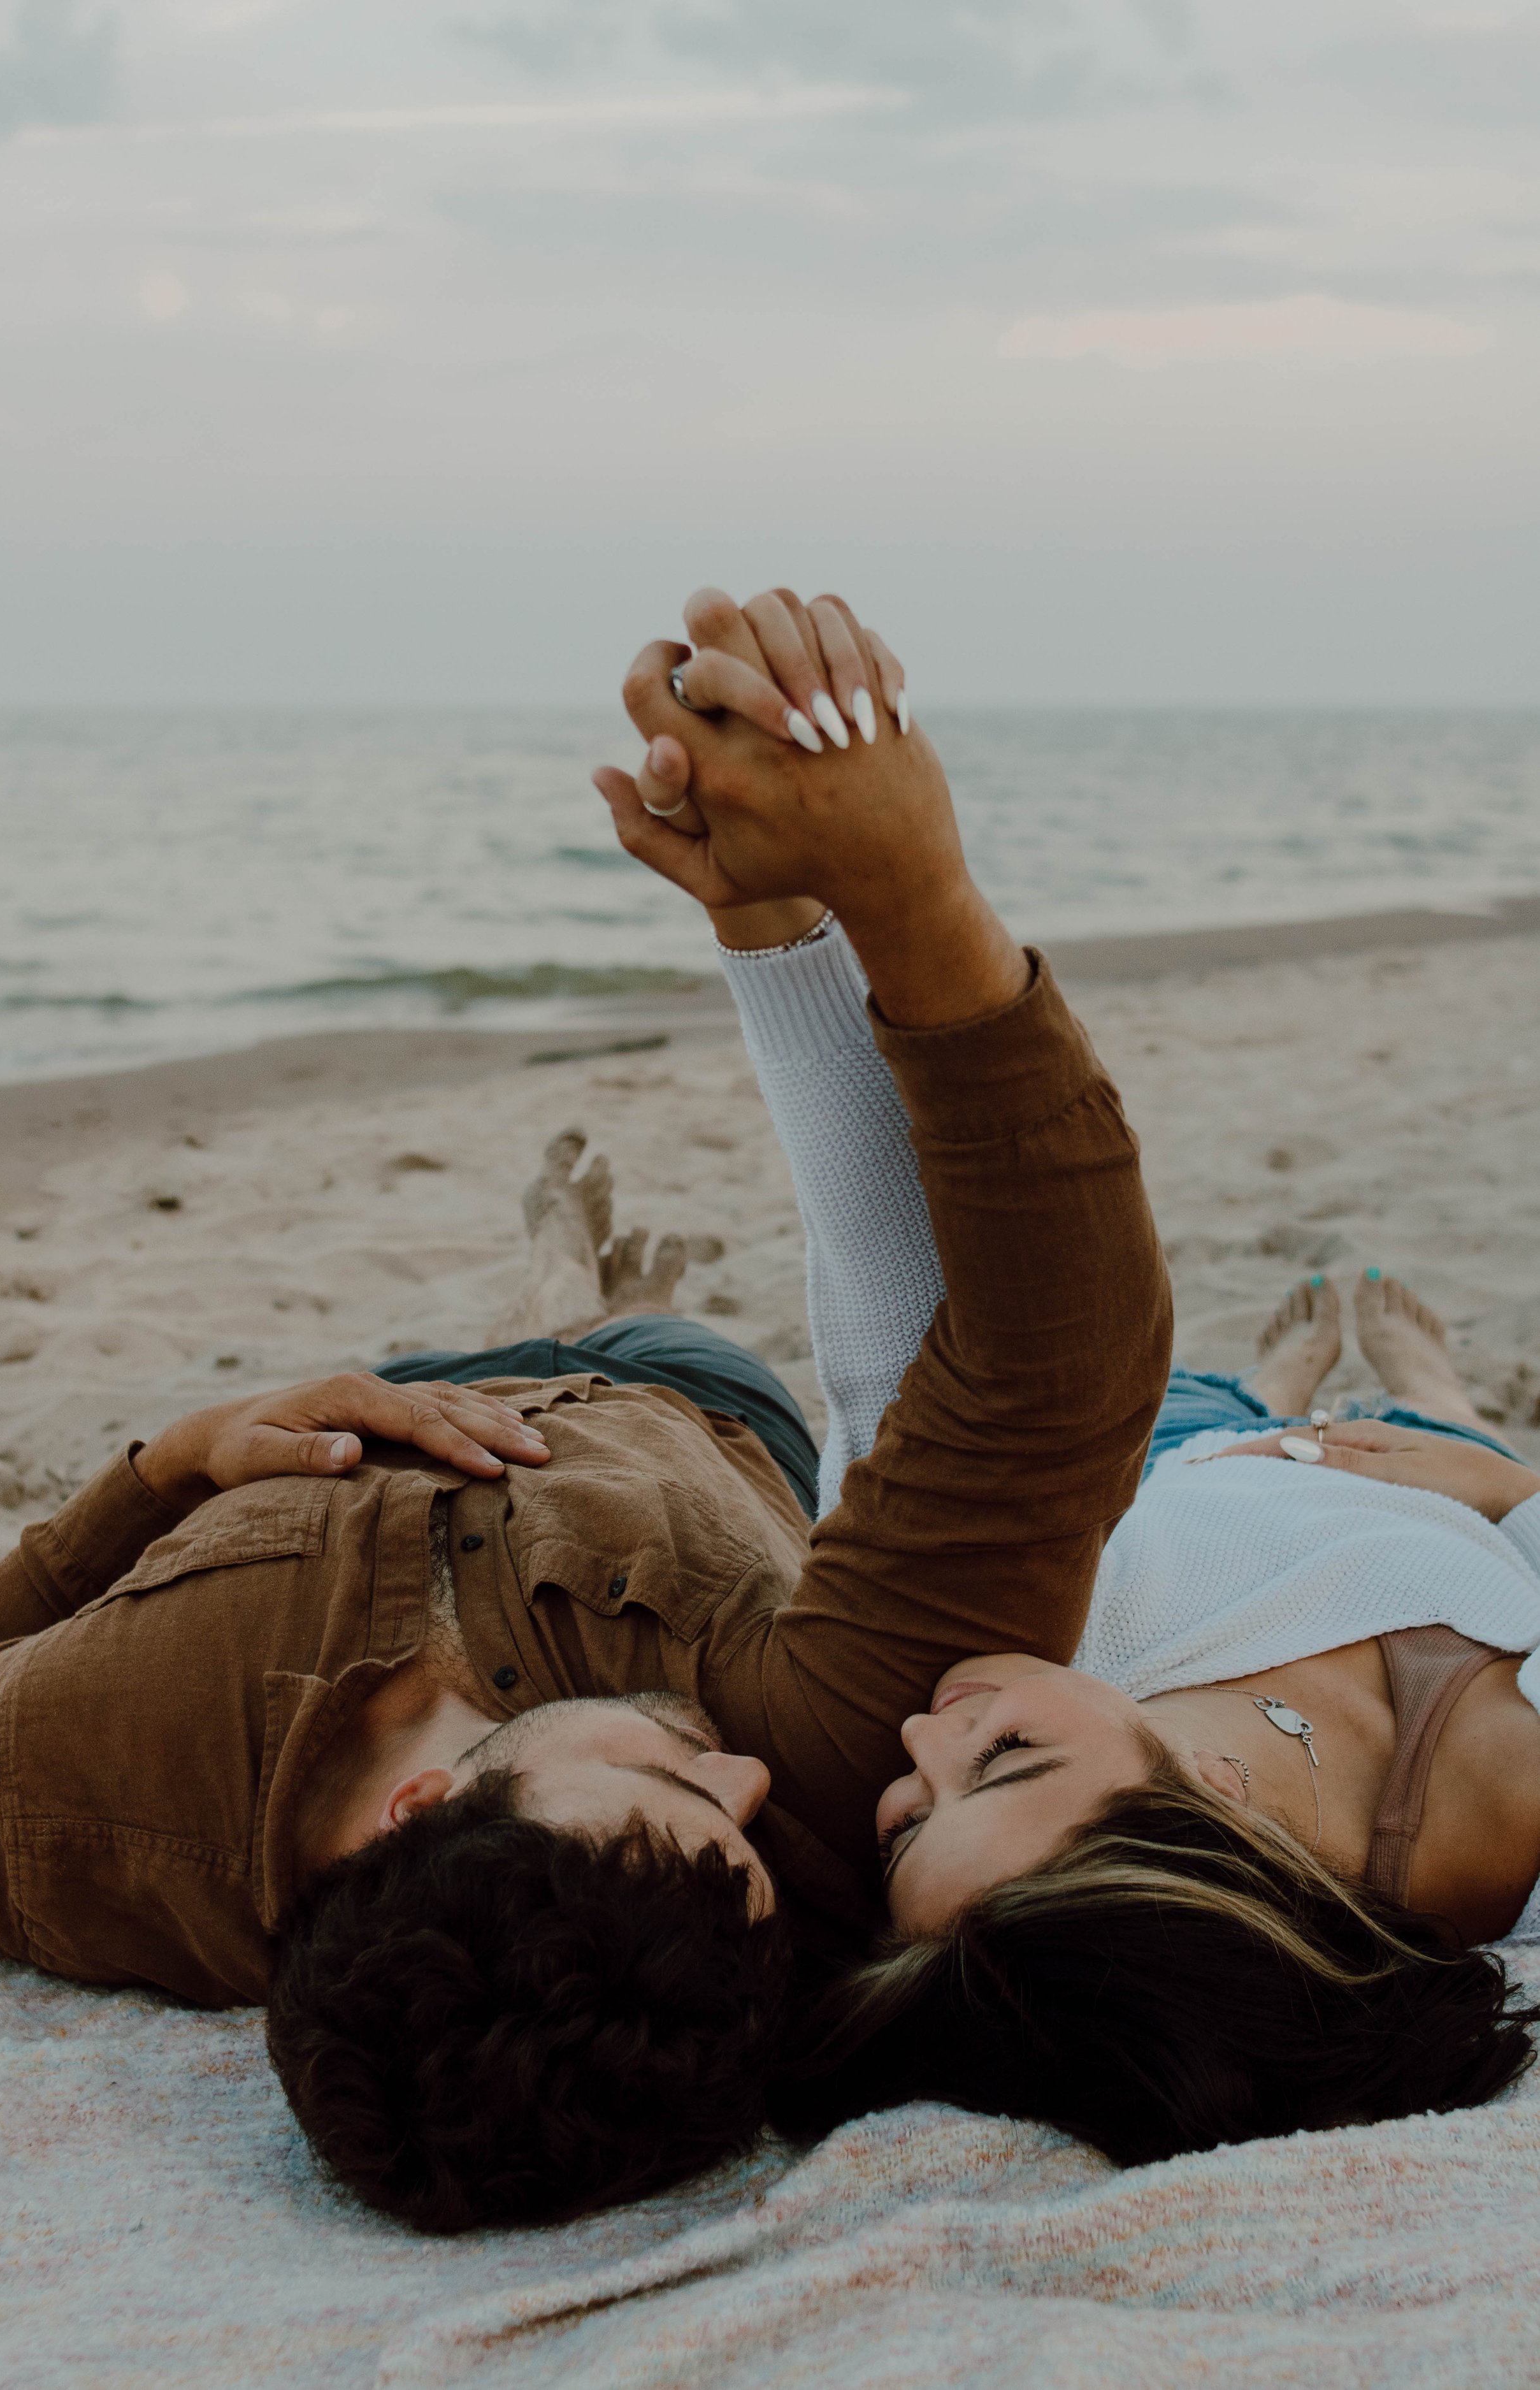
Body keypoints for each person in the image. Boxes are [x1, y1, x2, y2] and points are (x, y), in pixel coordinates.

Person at [0, 586, 1172, 2231]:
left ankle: (544, 1286)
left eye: (680, 1791)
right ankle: (584, 1273)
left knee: (472, 1347)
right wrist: (887, 893)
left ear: (423, 1809)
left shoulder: (69, 1807)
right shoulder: (781, 1810)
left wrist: (168, 1464)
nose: (747, 1790)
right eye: (745, 1833)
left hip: (336, 1431)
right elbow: (1045, 1369)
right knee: (853, 1385)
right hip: (692, 1408)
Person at [619, 841, 1540, 2161]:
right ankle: (1419, 1390)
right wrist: (1509, 1487)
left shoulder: (998, 1652)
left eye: (899, 1828)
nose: (922, 1741)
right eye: (1001, 1761)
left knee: (1184, 1404)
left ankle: (1265, 1389)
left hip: (1133, 1461)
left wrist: (769, 931)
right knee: (1423, 1436)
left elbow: (894, 1337)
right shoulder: (1512, 1822)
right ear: (1218, 1826)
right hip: (1437, 1502)